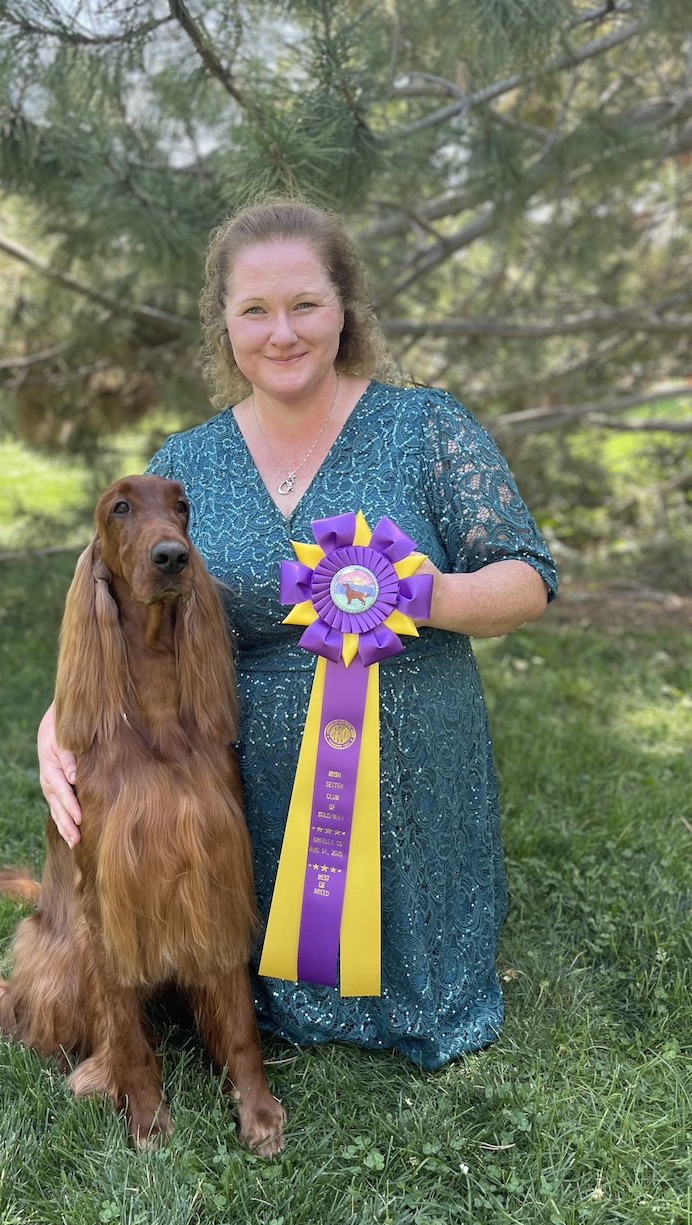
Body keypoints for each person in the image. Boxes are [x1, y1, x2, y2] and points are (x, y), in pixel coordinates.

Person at [38, 198, 558, 1069]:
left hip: (416, 776)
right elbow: (122, 601)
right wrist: (57, 720)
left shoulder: (426, 428)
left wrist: (410, 593)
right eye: (255, 310)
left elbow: (527, 579)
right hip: (243, 796)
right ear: (226, 327)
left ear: (344, 308)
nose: (282, 333)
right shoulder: (185, 464)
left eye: (305, 304)